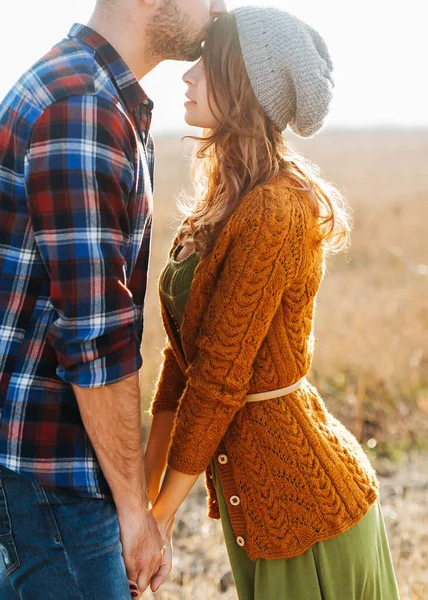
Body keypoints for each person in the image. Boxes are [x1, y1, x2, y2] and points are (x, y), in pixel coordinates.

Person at [145, 7, 401, 599]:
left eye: (205, 66)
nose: (186, 77)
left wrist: (158, 518)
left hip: (308, 513)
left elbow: (219, 378)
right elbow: (182, 367)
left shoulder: (275, 211)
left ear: (244, 85)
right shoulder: (221, 207)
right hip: (266, 511)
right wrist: (137, 498)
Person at [0, 1, 227, 599]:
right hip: (54, 479)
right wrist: (134, 510)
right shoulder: (83, 108)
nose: (220, 7)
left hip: (39, 470)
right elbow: (94, 333)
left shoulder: (93, 93)